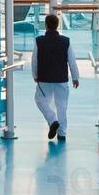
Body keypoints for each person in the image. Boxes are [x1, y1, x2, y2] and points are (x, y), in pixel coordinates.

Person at [31, 13, 80, 141]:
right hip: (61, 79)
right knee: (62, 105)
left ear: (46, 25)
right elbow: (72, 61)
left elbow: (34, 60)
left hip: (44, 78)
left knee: (40, 100)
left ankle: (52, 120)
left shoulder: (39, 41)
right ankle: (62, 133)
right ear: (57, 26)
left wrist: (35, 75)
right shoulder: (66, 41)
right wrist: (75, 77)